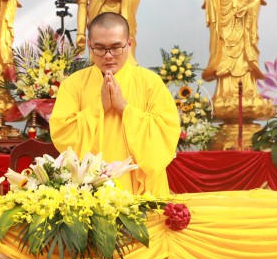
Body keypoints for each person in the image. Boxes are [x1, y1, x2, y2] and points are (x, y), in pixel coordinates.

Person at [49, 12, 180, 196]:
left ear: (129, 44)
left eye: (116, 47)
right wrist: (99, 107)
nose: (108, 56)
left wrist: (123, 107)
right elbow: (62, 133)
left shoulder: (150, 83)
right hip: (88, 193)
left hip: (142, 192)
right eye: (100, 48)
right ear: (89, 45)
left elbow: (166, 132)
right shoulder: (73, 85)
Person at [201, 0, 274, 121]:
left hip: (243, 27)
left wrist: (248, 6)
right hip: (224, 27)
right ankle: (224, 94)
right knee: (225, 60)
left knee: (243, 59)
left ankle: (248, 92)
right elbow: (209, 1)